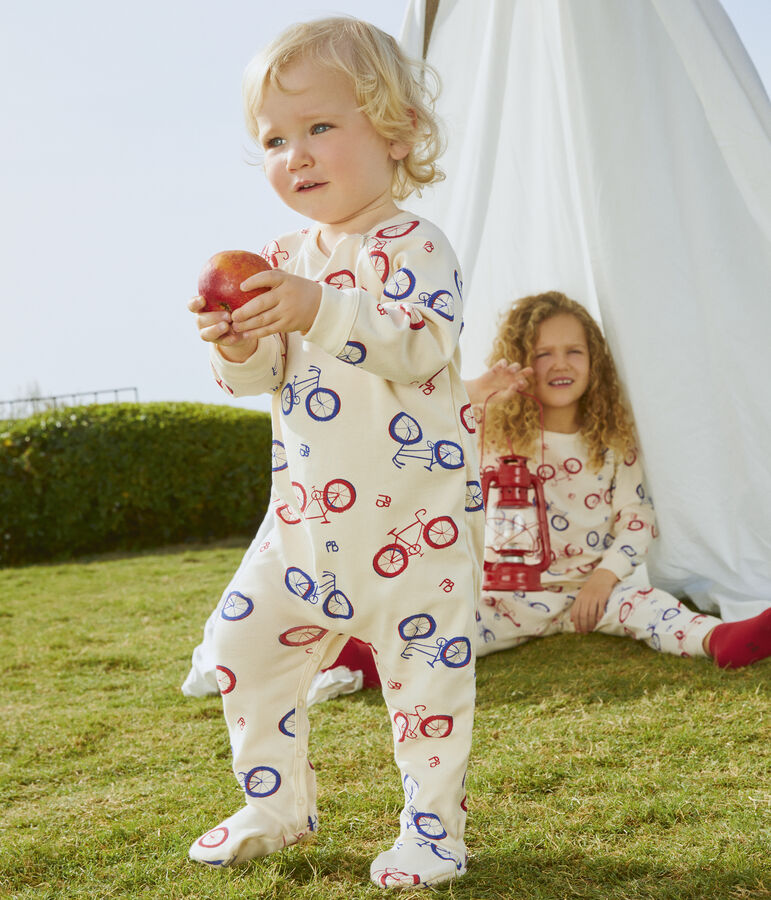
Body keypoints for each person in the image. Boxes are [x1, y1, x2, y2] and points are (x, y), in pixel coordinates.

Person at [186, 17, 483, 888]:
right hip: (303, 528)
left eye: (320, 127)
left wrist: (318, 306)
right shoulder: (278, 258)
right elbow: (259, 377)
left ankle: (431, 833)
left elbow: (419, 345)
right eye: (275, 139)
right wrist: (233, 340)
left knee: (426, 691)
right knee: (240, 648)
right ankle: (277, 804)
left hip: (412, 533)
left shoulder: (416, 246)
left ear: (395, 133)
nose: (297, 154)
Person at [466, 290, 771, 667]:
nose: (560, 364)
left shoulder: (609, 441)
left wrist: (604, 578)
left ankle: (719, 638)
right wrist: (476, 393)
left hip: (594, 593)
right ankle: (373, 660)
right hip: (509, 596)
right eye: (543, 354)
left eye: (574, 351)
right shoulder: (489, 431)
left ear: (595, 362)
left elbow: (637, 517)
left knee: (651, 605)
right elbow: (425, 417)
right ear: (519, 363)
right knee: (453, 623)